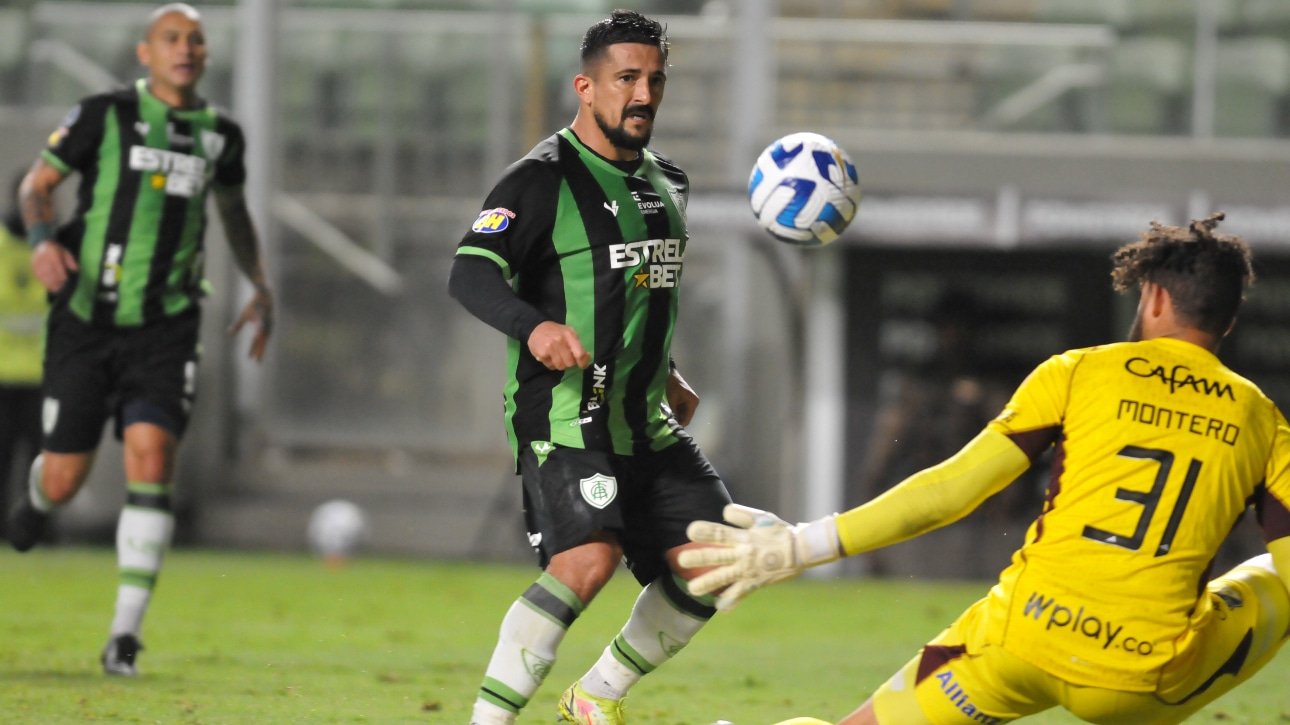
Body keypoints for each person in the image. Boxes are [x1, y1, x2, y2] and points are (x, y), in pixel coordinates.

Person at [682, 213, 1290, 725]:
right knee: (1277, 577)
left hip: (1022, 640)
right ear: (1228, 320)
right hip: (1144, 680)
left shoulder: (1078, 372)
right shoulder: (1262, 419)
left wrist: (799, 546)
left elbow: (952, 489)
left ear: (1153, 296)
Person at [447, 10, 732, 724]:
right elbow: (469, 273)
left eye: (655, 80)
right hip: (567, 415)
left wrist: (668, 370)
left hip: (647, 420)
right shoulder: (539, 180)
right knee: (586, 562)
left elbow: (634, 289)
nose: (643, 94)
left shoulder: (670, 182)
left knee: (720, 560)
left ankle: (595, 695)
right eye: (626, 78)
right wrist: (535, 326)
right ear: (586, 86)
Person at [6, 3, 273, 678]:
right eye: (171, 38)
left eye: (196, 39)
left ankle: (124, 636)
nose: (186, 48)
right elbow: (38, 185)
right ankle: (37, 500)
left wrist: (259, 283)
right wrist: (42, 243)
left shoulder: (221, 135)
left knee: (152, 458)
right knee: (65, 477)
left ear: (206, 54)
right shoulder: (104, 114)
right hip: (87, 321)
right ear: (145, 52)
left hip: (167, 327)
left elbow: (234, 213)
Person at [0, 171, 47, 539]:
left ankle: (39, 534)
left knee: (43, 465)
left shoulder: (56, 249)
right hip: (2, 376)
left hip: (43, 376)